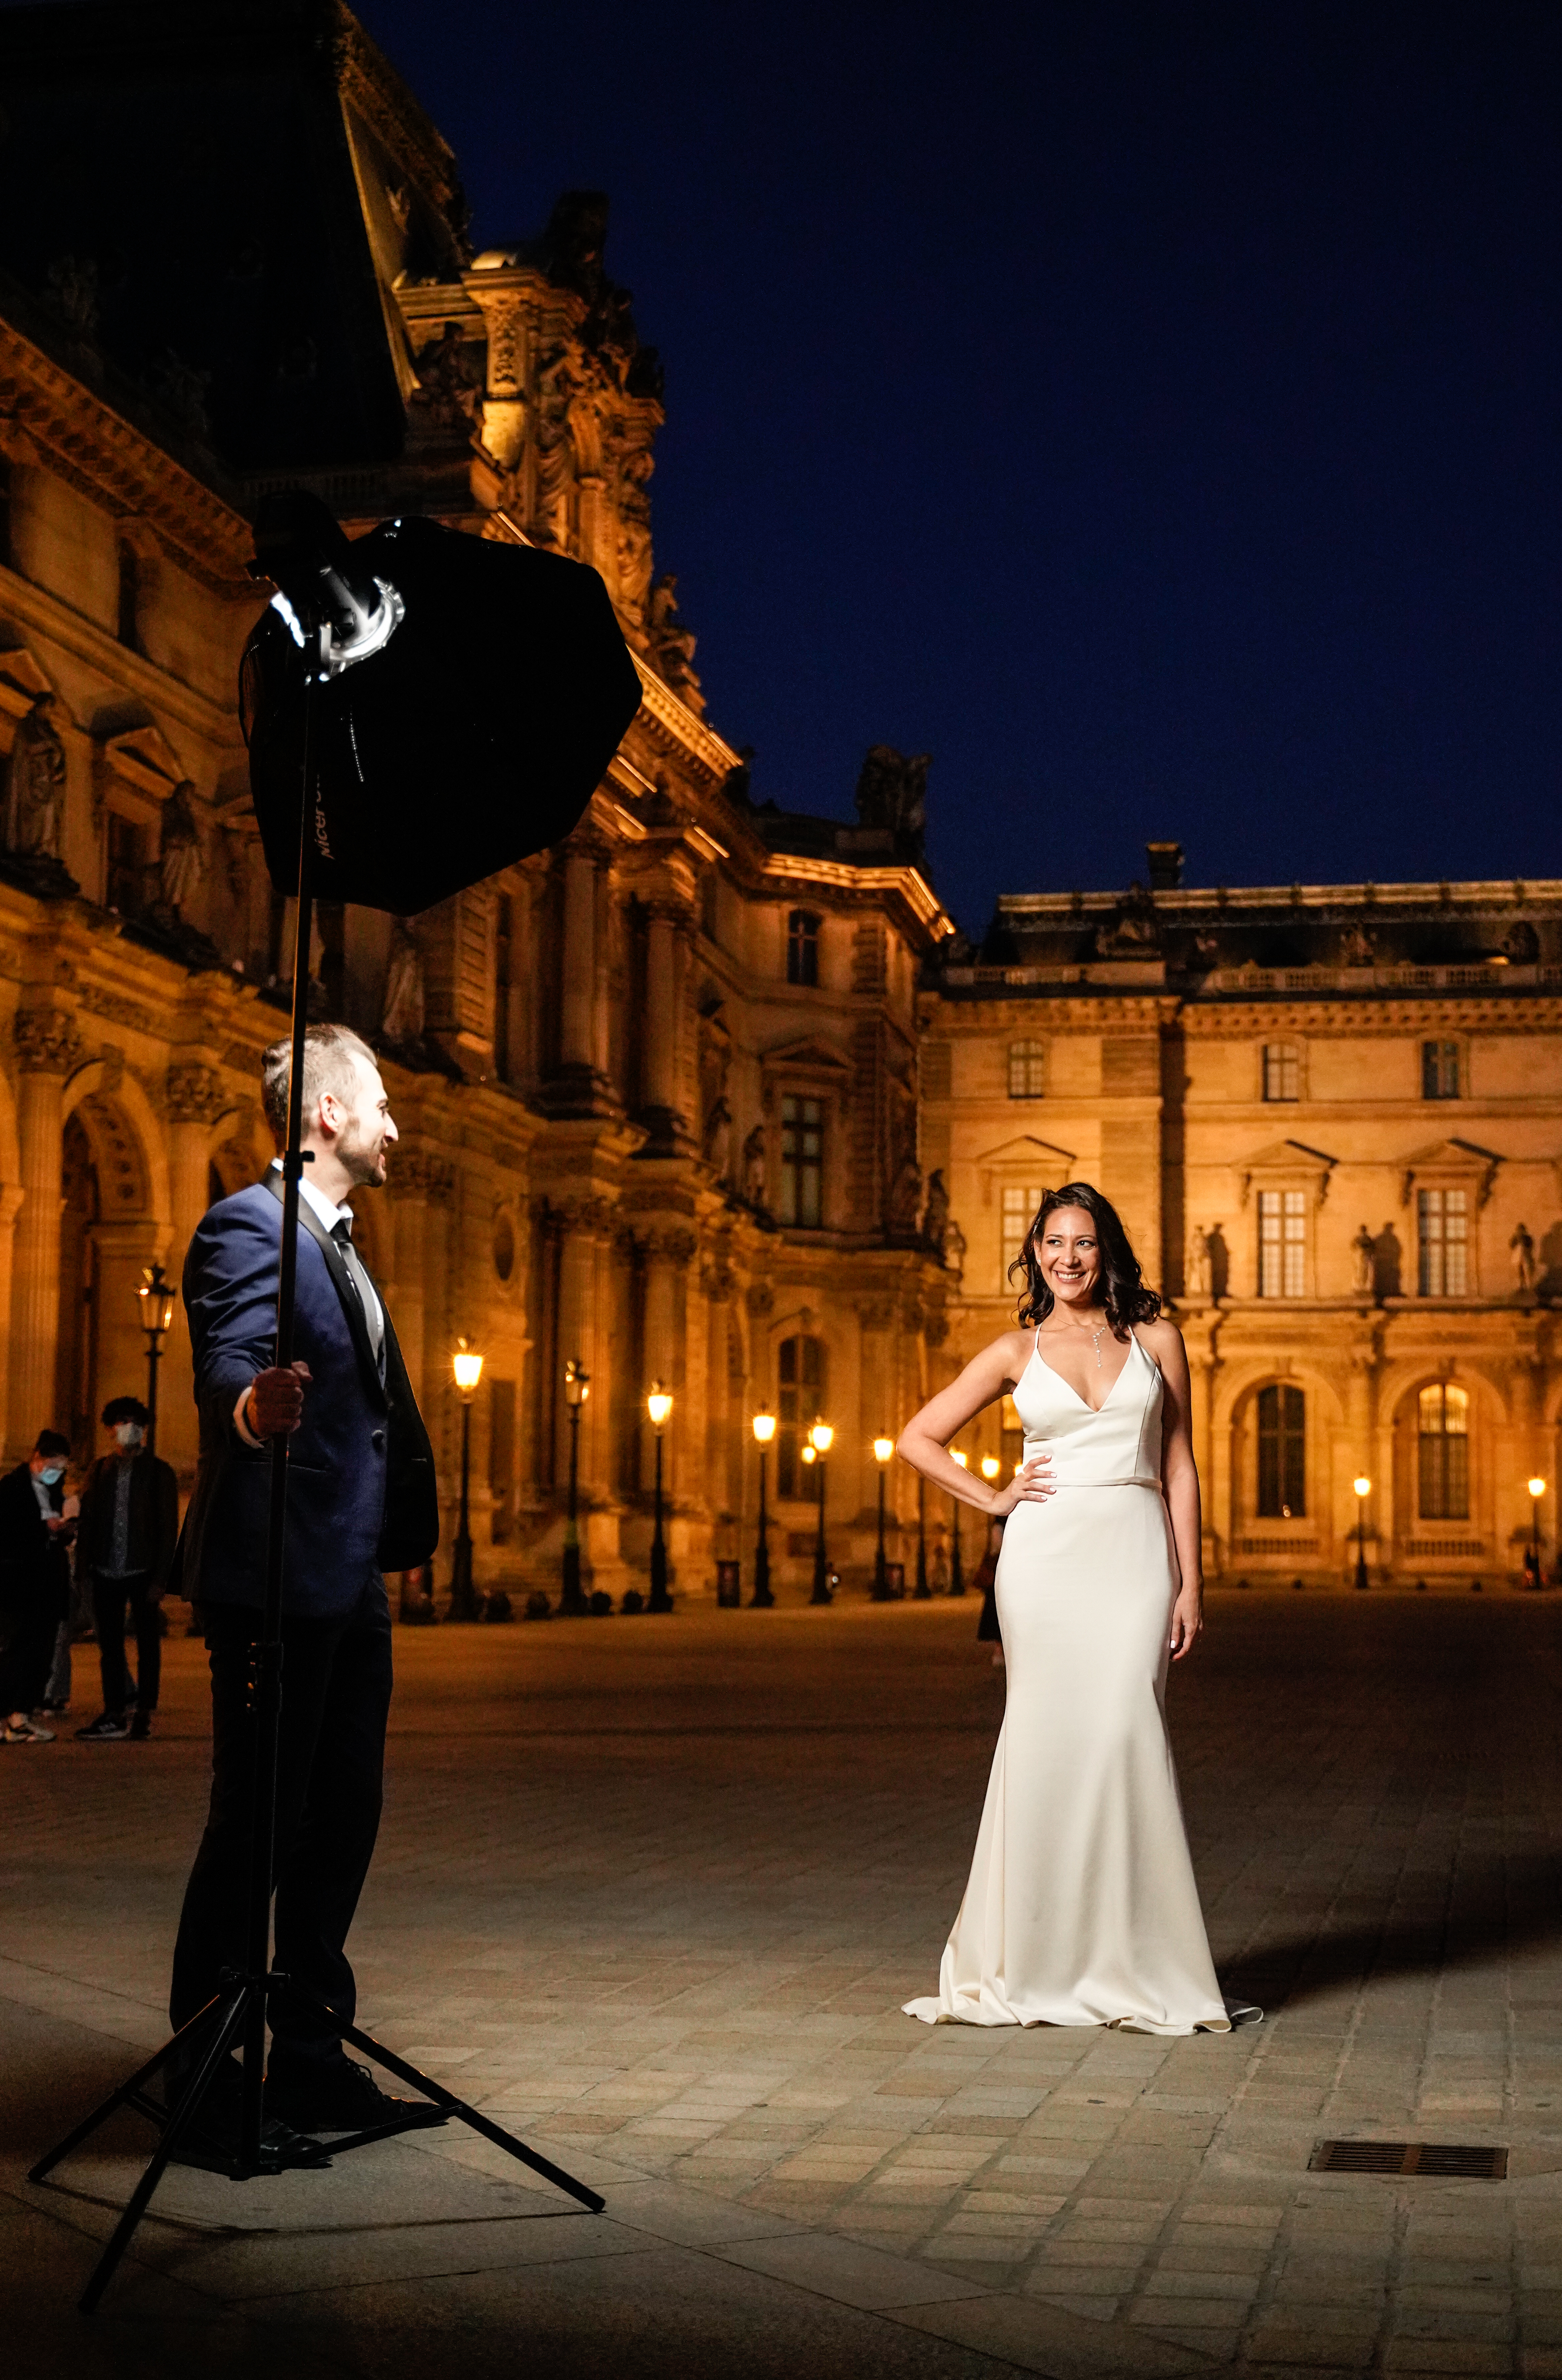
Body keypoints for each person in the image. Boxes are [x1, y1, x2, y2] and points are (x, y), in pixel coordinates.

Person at [897, 1181, 1258, 2036]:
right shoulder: (1012, 1351)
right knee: (1042, 1744)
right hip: (1043, 1559)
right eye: (1052, 1242)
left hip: (1131, 1552)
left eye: (1083, 1243)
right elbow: (916, 1436)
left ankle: (1133, 1960)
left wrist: (1189, 1580)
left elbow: (1177, 1466)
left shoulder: (1157, 1338)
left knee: (1124, 1735)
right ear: (1033, 1252)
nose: (1067, 1257)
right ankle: (1031, 1962)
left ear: (1108, 1252)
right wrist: (990, 1496)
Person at [167, 1022, 438, 2161]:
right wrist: (247, 1407)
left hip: (347, 1574)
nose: (393, 1121)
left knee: (341, 1821)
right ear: (326, 1115)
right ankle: (204, 2074)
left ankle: (313, 2055)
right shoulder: (248, 1224)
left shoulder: (338, 1238)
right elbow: (229, 1352)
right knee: (260, 1822)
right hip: (277, 1571)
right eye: (377, 1102)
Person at [74, 1396, 180, 1741]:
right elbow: (87, 1521)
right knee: (110, 1646)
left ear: (144, 1428)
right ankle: (114, 1708)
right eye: (120, 1422)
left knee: (148, 1645)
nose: (127, 1428)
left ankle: (145, 1710)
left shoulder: (159, 1471)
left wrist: (162, 1578)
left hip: (143, 1570)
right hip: (105, 1568)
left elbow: (167, 1529)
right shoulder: (99, 1470)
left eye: (134, 1421)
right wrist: (83, 1570)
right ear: (109, 1428)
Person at [0, 1430, 74, 1741]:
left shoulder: (55, 1488)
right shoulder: (11, 1489)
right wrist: (43, 1529)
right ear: (38, 1458)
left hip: (48, 1583)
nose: (56, 1472)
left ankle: (22, 1715)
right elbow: (9, 1534)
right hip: (19, 1585)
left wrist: (64, 1530)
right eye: (53, 1465)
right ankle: (8, 1714)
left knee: (41, 1653)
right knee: (15, 1651)